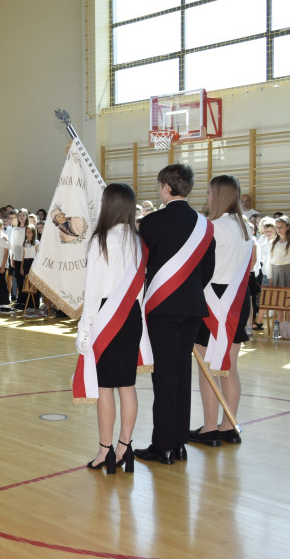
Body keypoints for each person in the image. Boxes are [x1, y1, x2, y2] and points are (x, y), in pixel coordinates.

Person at [135, 164, 215, 466]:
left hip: (162, 308)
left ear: (166, 187)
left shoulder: (151, 223)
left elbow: (140, 263)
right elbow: (206, 269)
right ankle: (179, 442)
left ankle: (163, 445)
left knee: (164, 377)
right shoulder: (204, 225)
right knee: (182, 375)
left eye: (159, 186)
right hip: (192, 307)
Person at [75, 183, 146, 474]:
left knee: (105, 386)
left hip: (106, 316)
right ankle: (123, 448)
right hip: (131, 315)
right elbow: (140, 289)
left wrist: (84, 328)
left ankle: (104, 450)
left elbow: (92, 292)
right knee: (127, 385)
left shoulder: (101, 241)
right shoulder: (139, 241)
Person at [191, 175, 252, 447]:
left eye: (209, 193)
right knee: (229, 367)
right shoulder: (246, 228)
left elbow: (200, 267)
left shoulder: (211, 227)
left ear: (219, 195)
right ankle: (229, 425)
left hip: (214, 297)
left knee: (208, 368)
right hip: (239, 297)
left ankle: (209, 428)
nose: (207, 197)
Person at [16, 226, 40, 309]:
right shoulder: (25, 242)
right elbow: (24, 255)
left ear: (34, 233)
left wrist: (36, 266)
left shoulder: (36, 242)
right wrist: (21, 266)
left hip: (33, 262)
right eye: (27, 232)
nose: (28, 233)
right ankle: (28, 304)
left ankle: (35, 305)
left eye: (30, 232)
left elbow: (37, 254)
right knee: (26, 284)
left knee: (33, 285)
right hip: (26, 263)